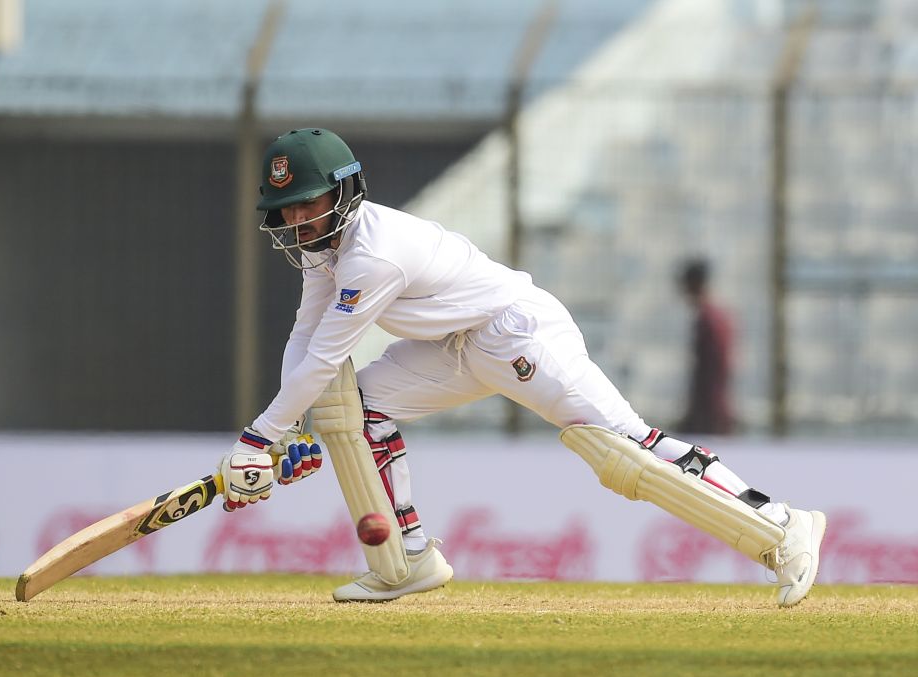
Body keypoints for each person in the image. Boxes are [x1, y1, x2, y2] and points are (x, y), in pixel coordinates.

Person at [218, 128, 825, 607]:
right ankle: (406, 561)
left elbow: (326, 355)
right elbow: (304, 340)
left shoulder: (372, 255)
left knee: (624, 451)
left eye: (309, 204)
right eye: (288, 210)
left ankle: (782, 525)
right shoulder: (326, 251)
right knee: (355, 408)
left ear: (344, 191)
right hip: (453, 348)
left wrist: (257, 439)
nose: (298, 221)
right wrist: (286, 431)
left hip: (515, 333)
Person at [677, 259, 735, 434]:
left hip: (710, 412)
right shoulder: (712, 316)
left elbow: (713, 370)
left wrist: (704, 412)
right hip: (711, 409)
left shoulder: (710, 319)